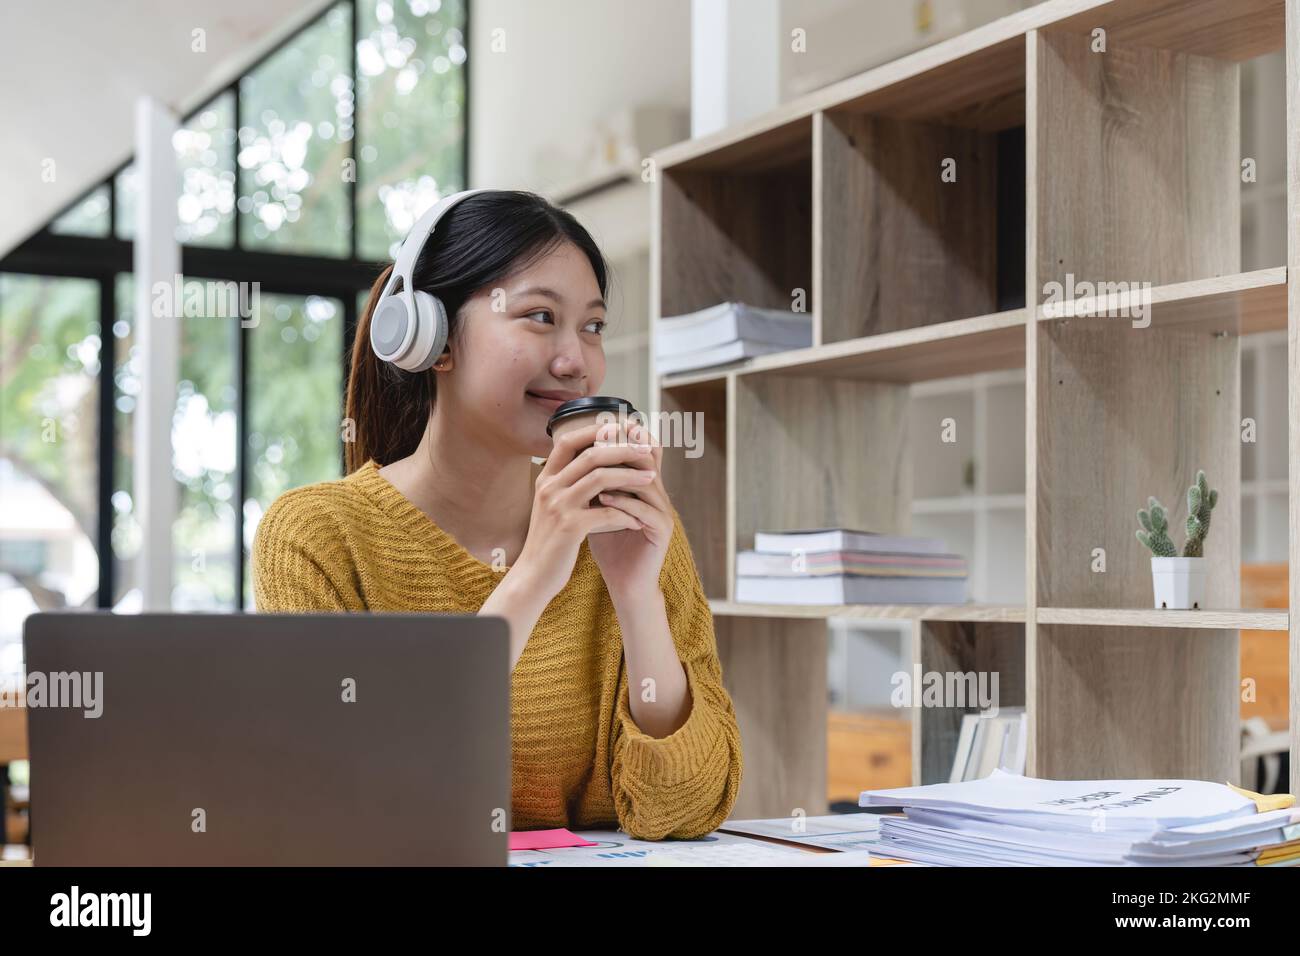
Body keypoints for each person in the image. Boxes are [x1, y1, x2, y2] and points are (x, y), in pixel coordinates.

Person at [251, 189, 742, 840]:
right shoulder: (317, 537)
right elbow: (339, 807)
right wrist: (535, 573)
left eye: (592, 326)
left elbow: (686, 810)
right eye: (540, 316)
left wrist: (635, 594)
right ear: (434, 338)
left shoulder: (630, 527)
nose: (576, 361)